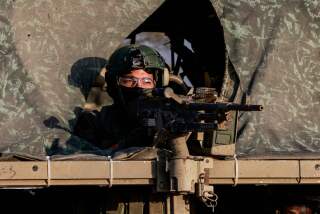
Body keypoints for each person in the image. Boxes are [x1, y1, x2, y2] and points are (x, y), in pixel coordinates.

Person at [73, 44, 168, 150]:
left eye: (146, 81)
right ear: (114, 85)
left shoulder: (166, 117)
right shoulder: (94, 122)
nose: (139, 87)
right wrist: (128, 142)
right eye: (129, 80)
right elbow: (85, 159)